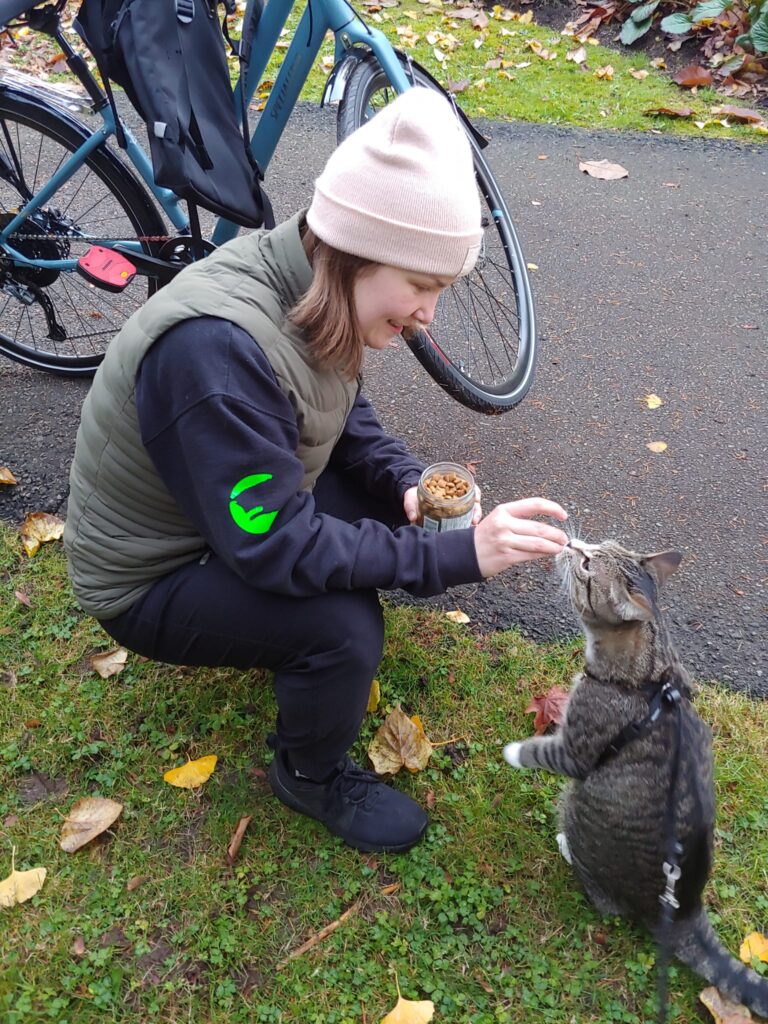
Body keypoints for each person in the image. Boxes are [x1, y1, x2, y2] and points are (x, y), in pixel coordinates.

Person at [64, 88, 568, 854]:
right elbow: (275, 546)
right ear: (357, 252)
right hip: (146, 577)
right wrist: (459, 554)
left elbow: (336, 407)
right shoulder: (218, 355)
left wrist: (401, 482)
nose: (430, 313)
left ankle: (288, 652)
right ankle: (309, 774)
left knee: (370, 519)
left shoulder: (305, 275)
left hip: (217, 510)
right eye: (424, 286)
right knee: (342, 626)